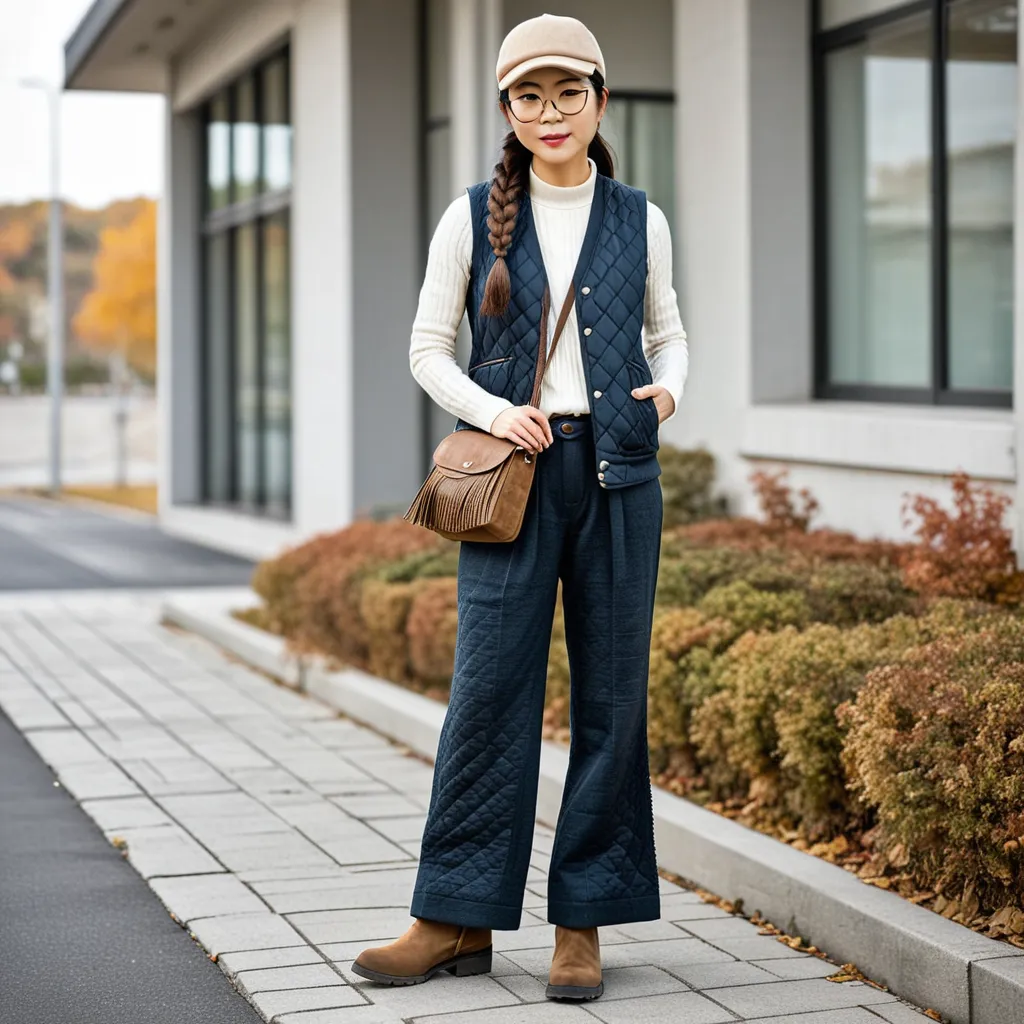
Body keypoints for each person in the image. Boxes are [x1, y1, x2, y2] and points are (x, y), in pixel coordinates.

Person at [353, 12, 689, 1002]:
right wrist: (501, 411)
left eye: (568, 93)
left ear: (599, 99)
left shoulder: (640, 217)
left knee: (611, 698)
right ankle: (451, 915)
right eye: (529, 97)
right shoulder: (470, 217)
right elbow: (425, 349)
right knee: (487, 694)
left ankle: (580, 920)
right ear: (507, 109)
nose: (551, 113)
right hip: (514, 481)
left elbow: (669, 334)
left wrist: (669, 391)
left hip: (619, 476)